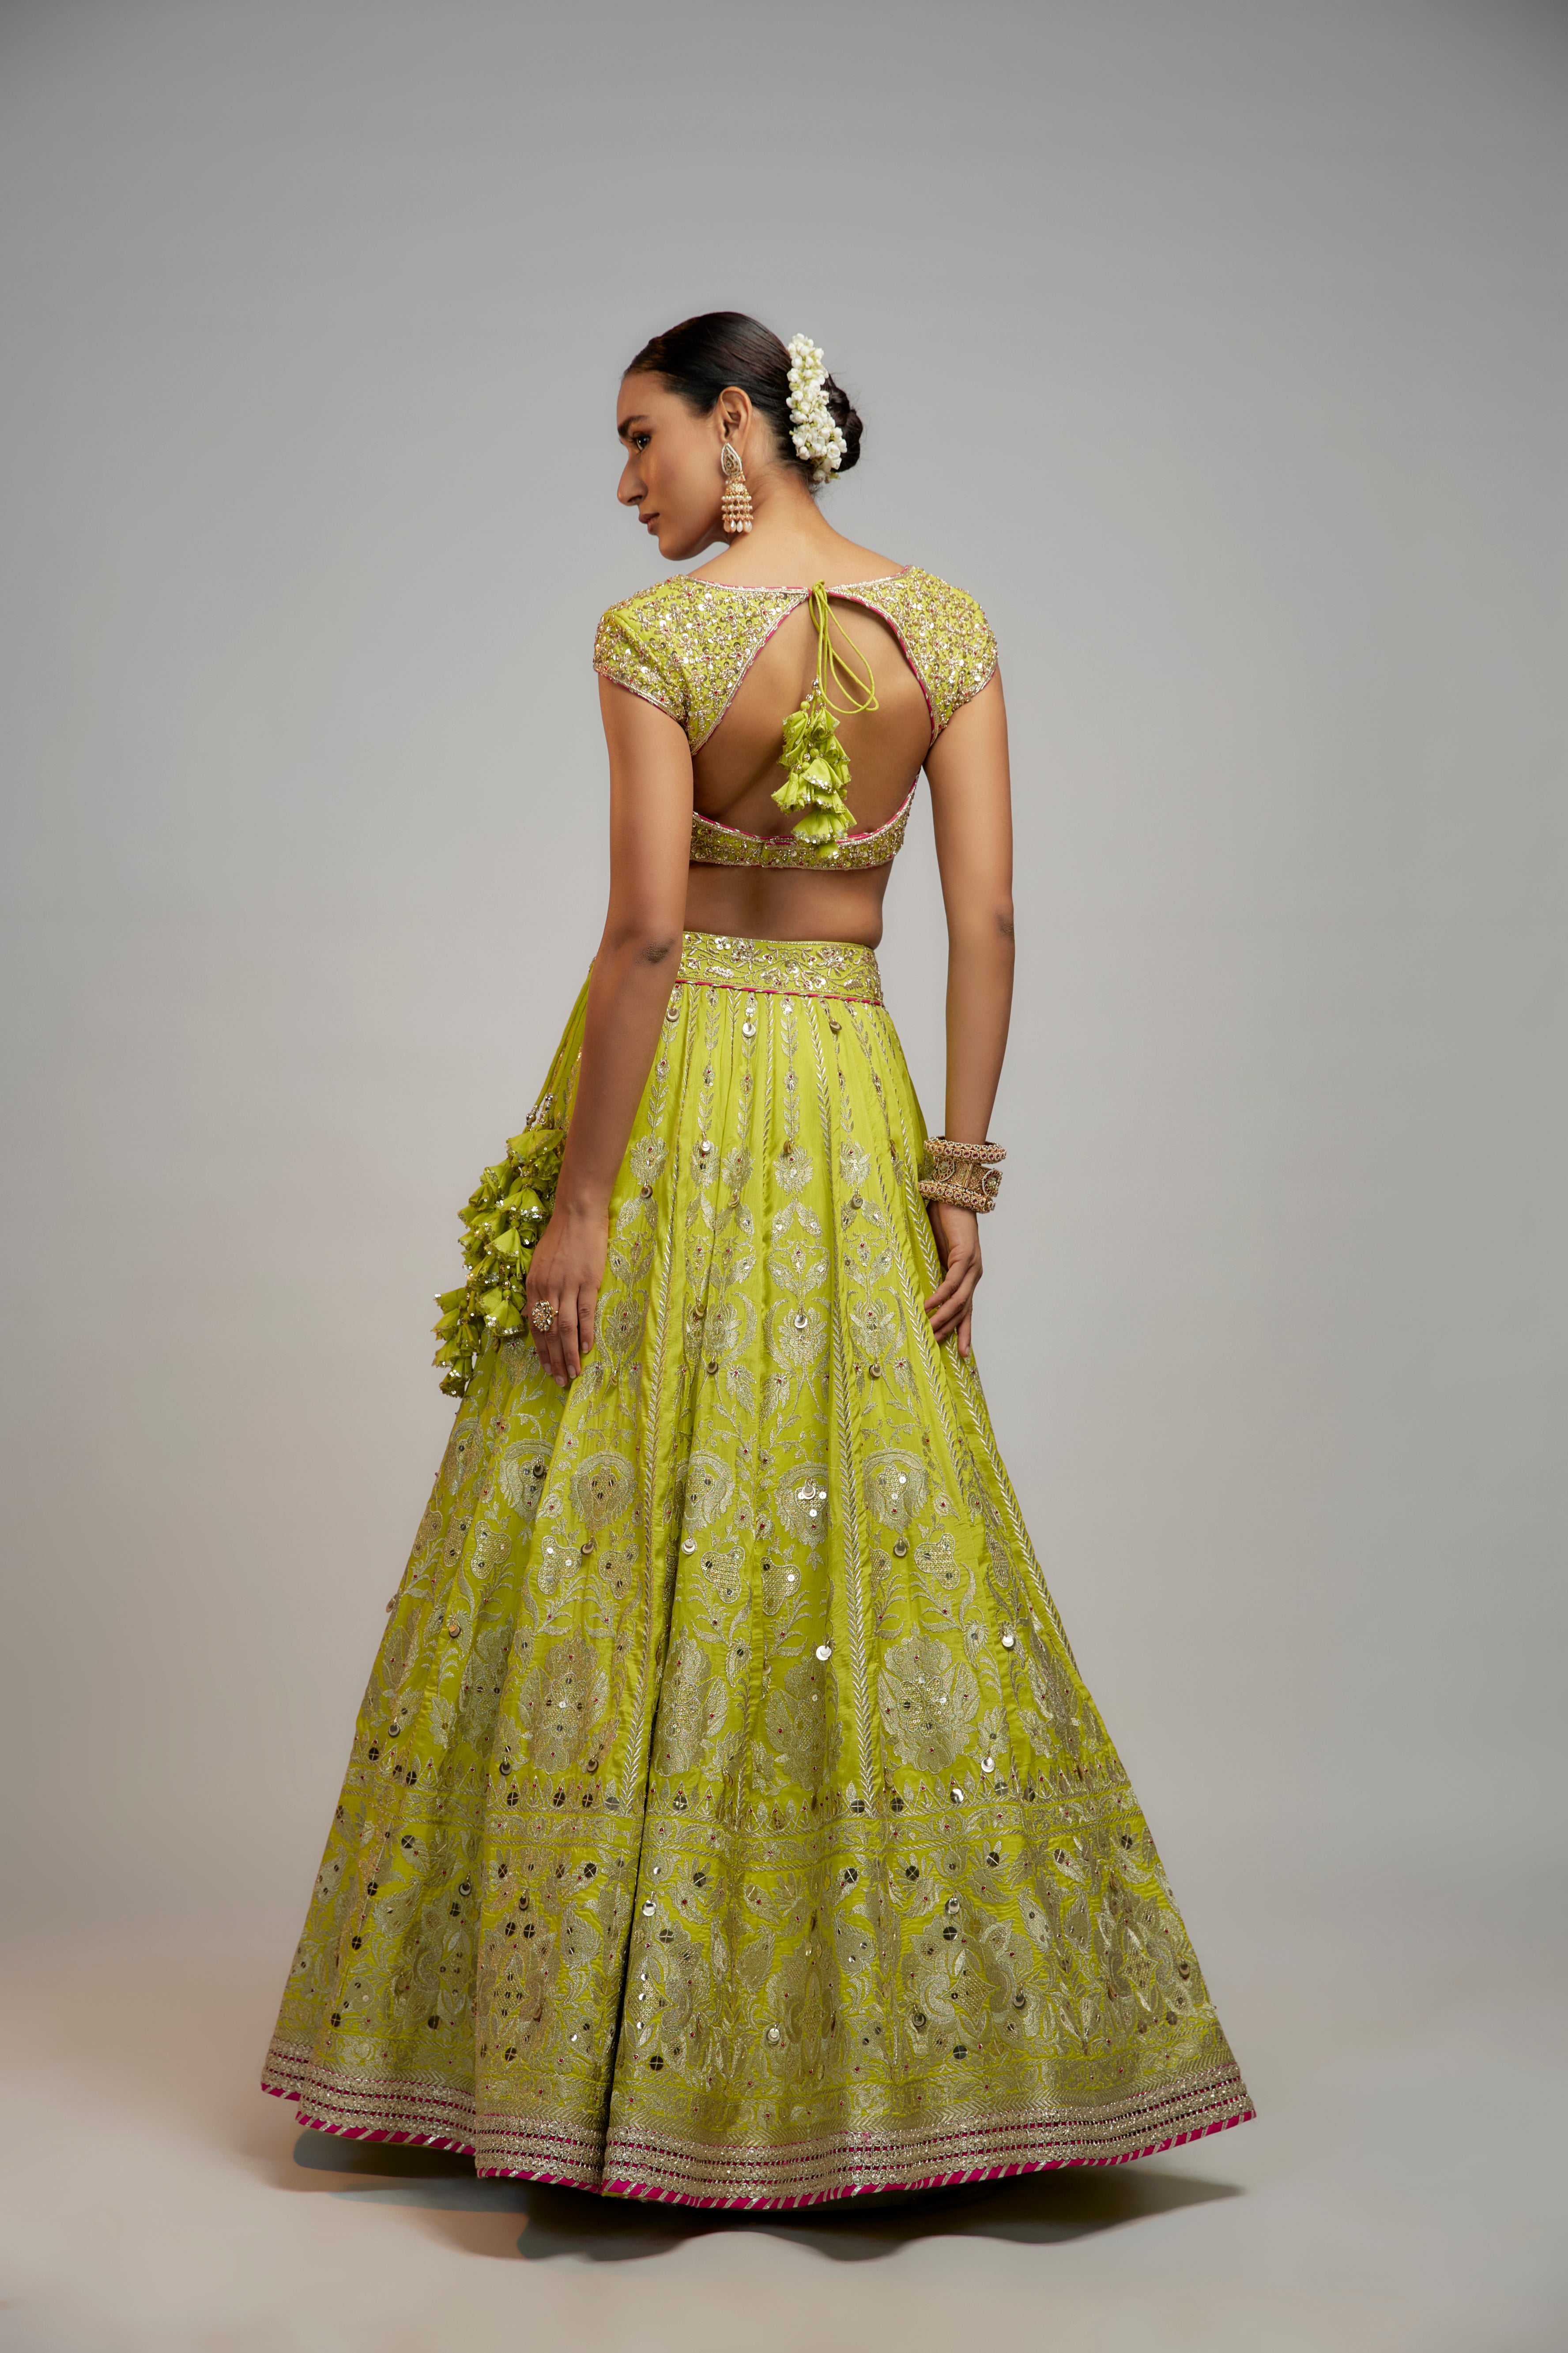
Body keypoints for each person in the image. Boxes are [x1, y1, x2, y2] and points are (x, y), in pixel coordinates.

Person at [262, 313, 1252, 2207]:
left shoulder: (658, 637)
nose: (626, 480)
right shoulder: (946, 626)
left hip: (685, 1084)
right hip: (855, 1082)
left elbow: (646, 934)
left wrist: (581, 1202)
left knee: (617, 1499)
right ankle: (885, 2062)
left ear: (740, 423)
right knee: (861, 1514)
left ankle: (585, 2054)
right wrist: (961, 1170)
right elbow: (990, 916)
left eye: (641, 437)